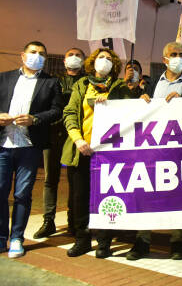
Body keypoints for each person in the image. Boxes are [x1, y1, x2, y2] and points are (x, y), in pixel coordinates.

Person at [126, 42, 182, 261]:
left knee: (178, 194)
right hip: (152, 148)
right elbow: (141, 113)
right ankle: (142, 241)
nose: (178, 58)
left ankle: (177, 241)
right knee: (146, 192)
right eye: (173, 54)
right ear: (164, 59)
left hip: (180, 148)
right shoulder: (151, 83)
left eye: (181, 54)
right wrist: (141, 101)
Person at [62, 48, 132, 258]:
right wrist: (78, 139)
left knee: (107, 198)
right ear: (92, 62)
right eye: (101, 58)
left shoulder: (120, 87)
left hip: (109, 155)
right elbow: (70, 113)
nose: (104, 61)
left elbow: (130, 113)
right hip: (82, 150)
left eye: (109, 59)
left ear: (115, 65)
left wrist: (111, 104)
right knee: (80, 198)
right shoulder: (81, 85)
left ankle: (104, 241)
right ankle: (82, 240)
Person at [0, 41, 62, 258]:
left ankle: (17, 238)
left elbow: (56, 111)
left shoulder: (50, 82)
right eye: (33, 52)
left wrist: (35, 119)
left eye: (42, 53)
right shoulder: (4, 78)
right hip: (4, 145)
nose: (37, 56)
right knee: (0, 192)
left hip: (29, 146)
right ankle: (1, 238)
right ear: (23, 55)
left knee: (22, 194)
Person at [34, 47, 85, 240]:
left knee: (75, 181)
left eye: (78, 55)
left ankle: (74, 220)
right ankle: (48, 220)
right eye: (70, 55)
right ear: (64, 61)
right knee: (50, 179)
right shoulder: (53, 80)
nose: (74, 58)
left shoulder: (87, 82)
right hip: (53, 135)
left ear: (84, 60)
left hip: (76, 137)